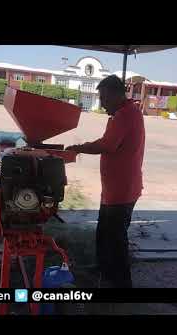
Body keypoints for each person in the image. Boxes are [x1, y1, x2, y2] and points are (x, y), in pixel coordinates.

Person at [66, 75, 145, 288]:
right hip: (115, 189)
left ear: (118, 95)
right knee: (104, 233)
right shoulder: (124, 113)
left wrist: (79, 147)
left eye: (104, 98)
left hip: (122, 190)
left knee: (116, 239)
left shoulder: (126, 115)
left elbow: (107, 145)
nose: (102, 103)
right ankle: (103, 269)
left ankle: (121, 283)